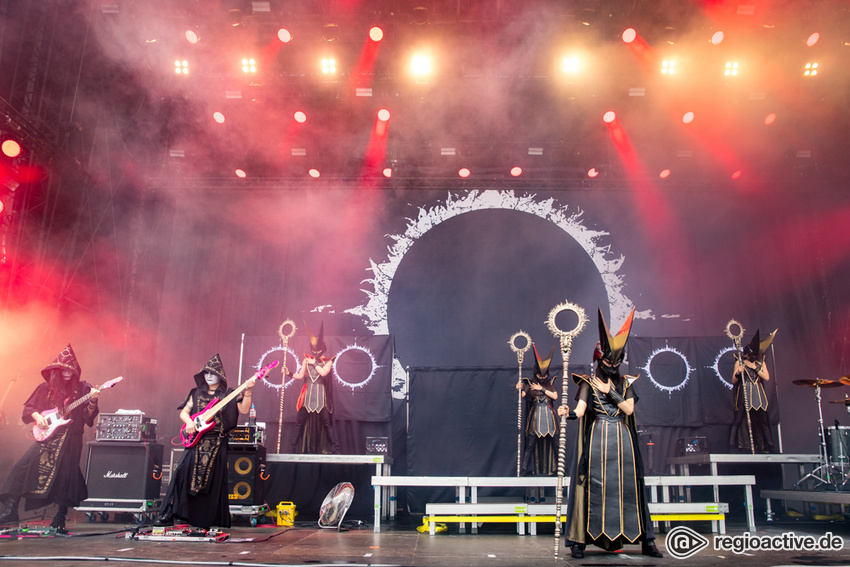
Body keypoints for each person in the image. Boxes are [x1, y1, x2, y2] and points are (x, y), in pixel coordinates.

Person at [558, 308, 662, 559]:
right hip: (598, 440)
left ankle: (647, 541)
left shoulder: (625, 383)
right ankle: (579, 542)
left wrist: (609, 390)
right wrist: (567, 412)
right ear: (599, 359)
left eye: (617, 362)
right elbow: (581, 411)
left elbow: (628, 408)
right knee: (594, 487)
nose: (613, 366)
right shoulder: (587, 382)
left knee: (629, 488)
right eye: (608, 362)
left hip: (623, 441)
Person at [0, 345, 100, 530]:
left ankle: (60, 517)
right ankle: (10, 511)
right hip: (46, 436)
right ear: (56, 371)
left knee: (66, 475)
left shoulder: (83, 388)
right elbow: (29, 409)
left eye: (71, 370)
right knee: (22, 467)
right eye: (63, 370)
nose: (67, 373)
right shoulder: (45, 388)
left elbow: (88, 417)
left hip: (69, 437)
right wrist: (38, 417)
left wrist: (93, 400)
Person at [157, 353, 257, 529]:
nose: (209, 376)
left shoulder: (229, 394)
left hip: (217, 442)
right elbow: (184, 412)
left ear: (220, 375)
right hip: (196, 441)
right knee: (182, 474)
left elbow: (244, 409)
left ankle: (207, 519)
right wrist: (188, 422)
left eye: (212, 373)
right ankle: (173, 514)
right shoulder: (195, 394)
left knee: (213, 480)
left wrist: (248, 391)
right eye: (206, 373)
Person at [287, 321, 340, 454]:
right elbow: (300, 376)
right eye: (314, 350)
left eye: (318, 349)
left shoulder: (328, 361)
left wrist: (314, 363)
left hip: (321, 395)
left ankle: (335, 449)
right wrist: (289, 373)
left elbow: (323, 373)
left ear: (322, 348)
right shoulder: (306, 359)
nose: (315, 352)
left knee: (327, 423)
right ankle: (293, 448)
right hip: (308, 393)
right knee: (300, 422)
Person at [729, 328, 777, 454]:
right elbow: (733, 381)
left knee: (764, 421)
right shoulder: (739, 361)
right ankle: (732, 445)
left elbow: (766, 377)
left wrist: (755, 368)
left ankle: (770, 446)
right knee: (738, 420)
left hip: (758, 393)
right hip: (745, 392)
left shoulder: (760, 362)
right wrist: (739, 372)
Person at [516, 345, 559, 476]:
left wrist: (542, 389)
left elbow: (555, 396)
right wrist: (519, 388)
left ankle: (561, 468)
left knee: (556, 443)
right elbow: (522, 396)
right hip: (536, 415)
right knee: (530, 444)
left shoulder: (550, 382)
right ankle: (524, 469)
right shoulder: (530, 383)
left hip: (549, 415)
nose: (542, 376)